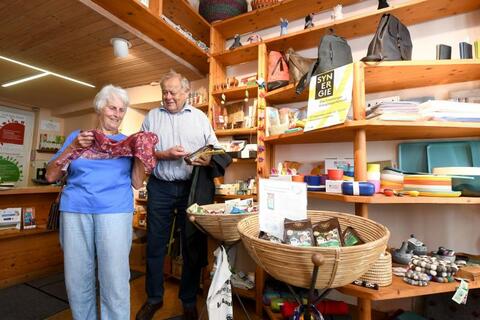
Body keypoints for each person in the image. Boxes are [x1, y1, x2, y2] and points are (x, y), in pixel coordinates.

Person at [46, 84, 146, 320]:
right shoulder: (77, 138)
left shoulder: (128, 142)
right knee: (77, 276)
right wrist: (73, 147)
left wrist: (141, 154)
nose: (117, 114)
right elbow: (51, 175)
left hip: (115, 212)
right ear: (101, 108)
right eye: (112, 107)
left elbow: (137, 183)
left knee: (115, 277)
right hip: (75, 210)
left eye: (122, 110)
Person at [136, 70, 219, 320]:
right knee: (155, 244)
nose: (168, 97)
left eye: (173, 92)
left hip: (190, 188)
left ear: (186, 93)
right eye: (164, 92)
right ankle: (153, 299)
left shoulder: (200, 118)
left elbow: (214, 150)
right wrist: (164, 154)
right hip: (160, 186)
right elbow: (141, 152)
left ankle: (188, 300)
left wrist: (203, 158)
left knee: (192, 246)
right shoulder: (151, 117)